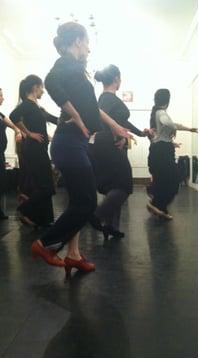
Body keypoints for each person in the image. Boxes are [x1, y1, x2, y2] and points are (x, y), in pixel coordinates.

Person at [31, 22, 132, 276]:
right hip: (68, 144)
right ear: (77, 41)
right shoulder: (65, 64)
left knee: (79, 200)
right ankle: (44, 244)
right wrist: (74, 114)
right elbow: (50, 82)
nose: (88, 48)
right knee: (87, 203)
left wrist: (116, 127)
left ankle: (74, 254)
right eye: (87, 42)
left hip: (76, 144)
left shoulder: (76, 71)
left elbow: (93, 108)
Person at [89, 65, 151, 239]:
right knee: (124, 185)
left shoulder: (108, 98)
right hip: (110, 143)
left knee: (114, 186)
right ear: (116, 79)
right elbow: (101, 120)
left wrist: (141, 133)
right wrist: (116, 136)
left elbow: (122, 121)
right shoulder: (107, 98)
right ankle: (97, 215)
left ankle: (111, 226)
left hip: (111, 143)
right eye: (120, 78)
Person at [10, 75, 58, 227]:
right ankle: (24, 209)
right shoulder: (27, 105)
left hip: (39, 149)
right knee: (47, 187)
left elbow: (54, 119)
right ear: (35, 87)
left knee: (43, 185)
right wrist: (29, 133)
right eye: (41, 87)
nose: (43, 91)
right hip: (34, 150)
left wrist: (71, 119)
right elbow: (13, 116)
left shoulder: (37, 107)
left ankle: (43, 219)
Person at [147, 88, 198, 220]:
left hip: (160, 149)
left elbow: (164, 131)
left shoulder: (156, 113)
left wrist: (187, 129)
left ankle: (160, 206)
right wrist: (174, 129)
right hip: (162, 151)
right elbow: (168, 123)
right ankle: (155, 203)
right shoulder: (161, 112)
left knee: (165, 181)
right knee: (173, 180)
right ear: (167, 101)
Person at [0, 88, 22, 220]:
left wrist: (18, 131)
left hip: (0, 154)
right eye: (1, 95)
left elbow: (13, 125)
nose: (3, 98)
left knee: (1, 182)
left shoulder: (1, 115)